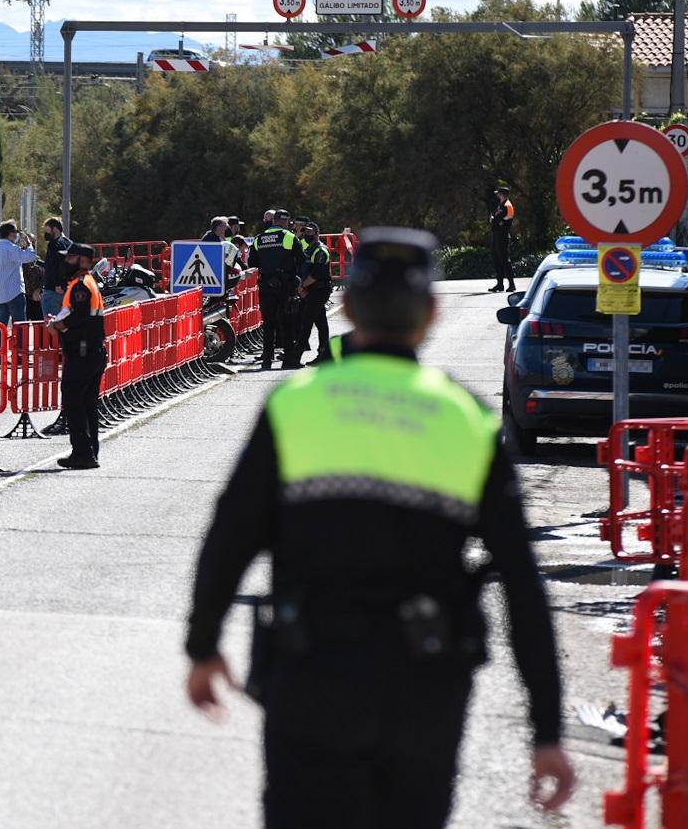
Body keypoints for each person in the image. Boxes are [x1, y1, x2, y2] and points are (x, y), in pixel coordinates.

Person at [185, 226, 575, 829]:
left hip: (311, 678)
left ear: (345, 306)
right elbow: (522, 582)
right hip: (424, 691)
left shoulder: (295, 405)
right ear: (432, 313)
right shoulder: (466, 419)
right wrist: (546, 728)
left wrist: (203, 645)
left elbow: (230, 535)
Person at [47, 243, 104, 470]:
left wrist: (57, 325)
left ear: (83, 261)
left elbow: (77, 317)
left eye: (70, 258)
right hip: (91, 351)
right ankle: (90, 452)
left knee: (74, 403)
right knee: (87, 404)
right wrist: (59, 322)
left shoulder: (81, 285)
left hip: (83, 352)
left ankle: (83, 453)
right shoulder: (85, 283)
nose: (65, 262)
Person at [251, 209, 305, 370]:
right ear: (284, 221)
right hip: (286, 285)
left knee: (268, 323)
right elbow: (301, 259)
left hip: (266, 285)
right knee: (287, 322)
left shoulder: (258, 239)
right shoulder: (289, 237)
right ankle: (288, 360)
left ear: (274, 221)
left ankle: (267, 359)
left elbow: (252, 263)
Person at [0, 220, 38, 356]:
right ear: (11, 234)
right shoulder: (12, 248)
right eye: (15, 232)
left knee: (0, 326)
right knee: (20, 325)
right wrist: (29, 244)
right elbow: (30, 257)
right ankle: (20, 354)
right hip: (14, 292)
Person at [296, 221, 332, 359]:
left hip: (319, 290)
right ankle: (324, 354)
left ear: (317, 234)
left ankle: (296, 354)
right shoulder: (308, 249)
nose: (306, 234)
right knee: (321, 322)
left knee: (307, 322)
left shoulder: (321, 251)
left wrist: (303, 286)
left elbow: (317, 274)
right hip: (309, 290)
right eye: (305, 232)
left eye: (310, 232)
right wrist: (301, 287)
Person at [41, 216, 74, 320]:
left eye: (47, 230)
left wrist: (58, 284)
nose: (46, 233)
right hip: (67, 290)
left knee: (51, 325)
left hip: (53, 290)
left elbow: (56, 265)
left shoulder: (53, 245)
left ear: (55, 229)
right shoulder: (70, 243)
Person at [489, 186, 516, 293]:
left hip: (503, 235)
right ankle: (500, 284)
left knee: (504, 260)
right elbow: (496, 219)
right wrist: (494, 220)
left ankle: (511, 284)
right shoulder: (501, 205)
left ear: (502, 194)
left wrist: (494, 220)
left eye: (498, 194)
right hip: (496, 235)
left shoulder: (507, 205)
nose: (497, 195)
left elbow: (498, 220)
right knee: (497, 260)